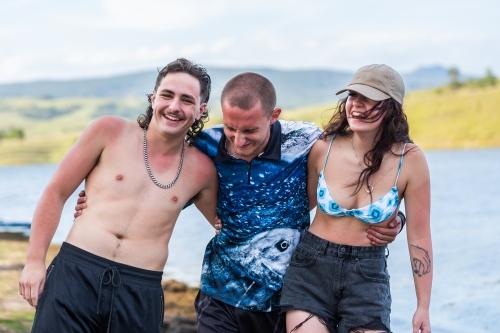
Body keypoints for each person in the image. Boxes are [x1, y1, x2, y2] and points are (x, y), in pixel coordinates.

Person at [75, 72, 405, 333]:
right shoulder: (206, 144)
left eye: (249, 130)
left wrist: (394, 219)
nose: (238, 140)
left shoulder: (307, 140)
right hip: (220, 294)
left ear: (273, 115)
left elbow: (369, 167)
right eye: (231, 128)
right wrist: (100, 201)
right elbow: (156, 186)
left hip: (289, 299)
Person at [19, 58, 219, 333]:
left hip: (139, 291)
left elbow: (227, 228)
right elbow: (56, 192)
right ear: (153, 98)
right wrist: (34, 261)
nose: (174, 107)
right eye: (167, 95)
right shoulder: (108, 131)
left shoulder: (203, 171)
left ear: (200, 110)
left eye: (186, 100)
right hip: (75, 274)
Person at [279, 64, 433, 333]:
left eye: (369, 98)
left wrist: (423, 306)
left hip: (367, 277)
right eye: (353, 96)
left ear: (392, 107)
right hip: (310, 269)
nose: (357, 105)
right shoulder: (322, 149)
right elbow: (298, 208)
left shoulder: (410, 161)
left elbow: (419, 237)